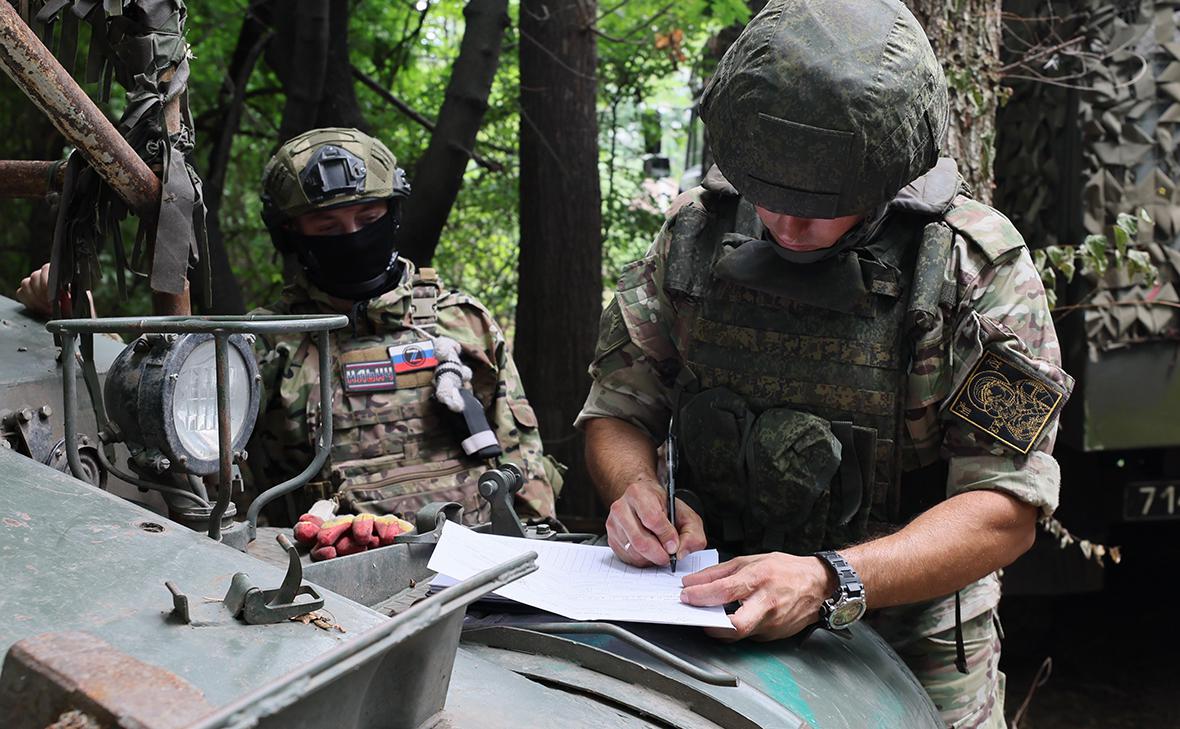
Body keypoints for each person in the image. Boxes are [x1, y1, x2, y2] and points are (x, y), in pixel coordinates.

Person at [575, 1, 1072, 726]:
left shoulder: (972, 267)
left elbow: (1008, 508)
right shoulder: (695, 236)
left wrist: (831, 577)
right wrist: (636, 489)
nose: (784, 222)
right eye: (767, 195)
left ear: (886, 173)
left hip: (908, 630)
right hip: (707, 605)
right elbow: (617, 409)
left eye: (817, 203)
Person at [253, 127, 561, 526]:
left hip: (473, 570)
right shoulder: (267, 344)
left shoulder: (462, 322)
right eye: (327, 228)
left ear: (392, 214)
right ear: (291, 235)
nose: (354, 238)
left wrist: (534, 550)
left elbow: (521, 463)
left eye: (368, 218)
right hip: (327, 574)